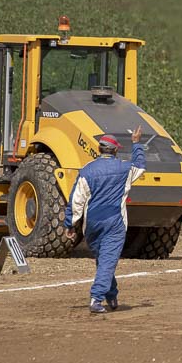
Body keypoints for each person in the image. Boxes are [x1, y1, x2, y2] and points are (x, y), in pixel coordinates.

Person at [64, 126, 146, 314]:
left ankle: (112, 295)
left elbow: (77, 199)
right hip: (115, 221)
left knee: (104, 260)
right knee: (107, 261)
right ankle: (96, 298)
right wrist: (136, 143)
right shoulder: (125, 168)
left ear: (99, 149)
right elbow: (140, 166)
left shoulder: (87, 170)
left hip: (91, 224)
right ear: (116, 150)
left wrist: (70, 223)